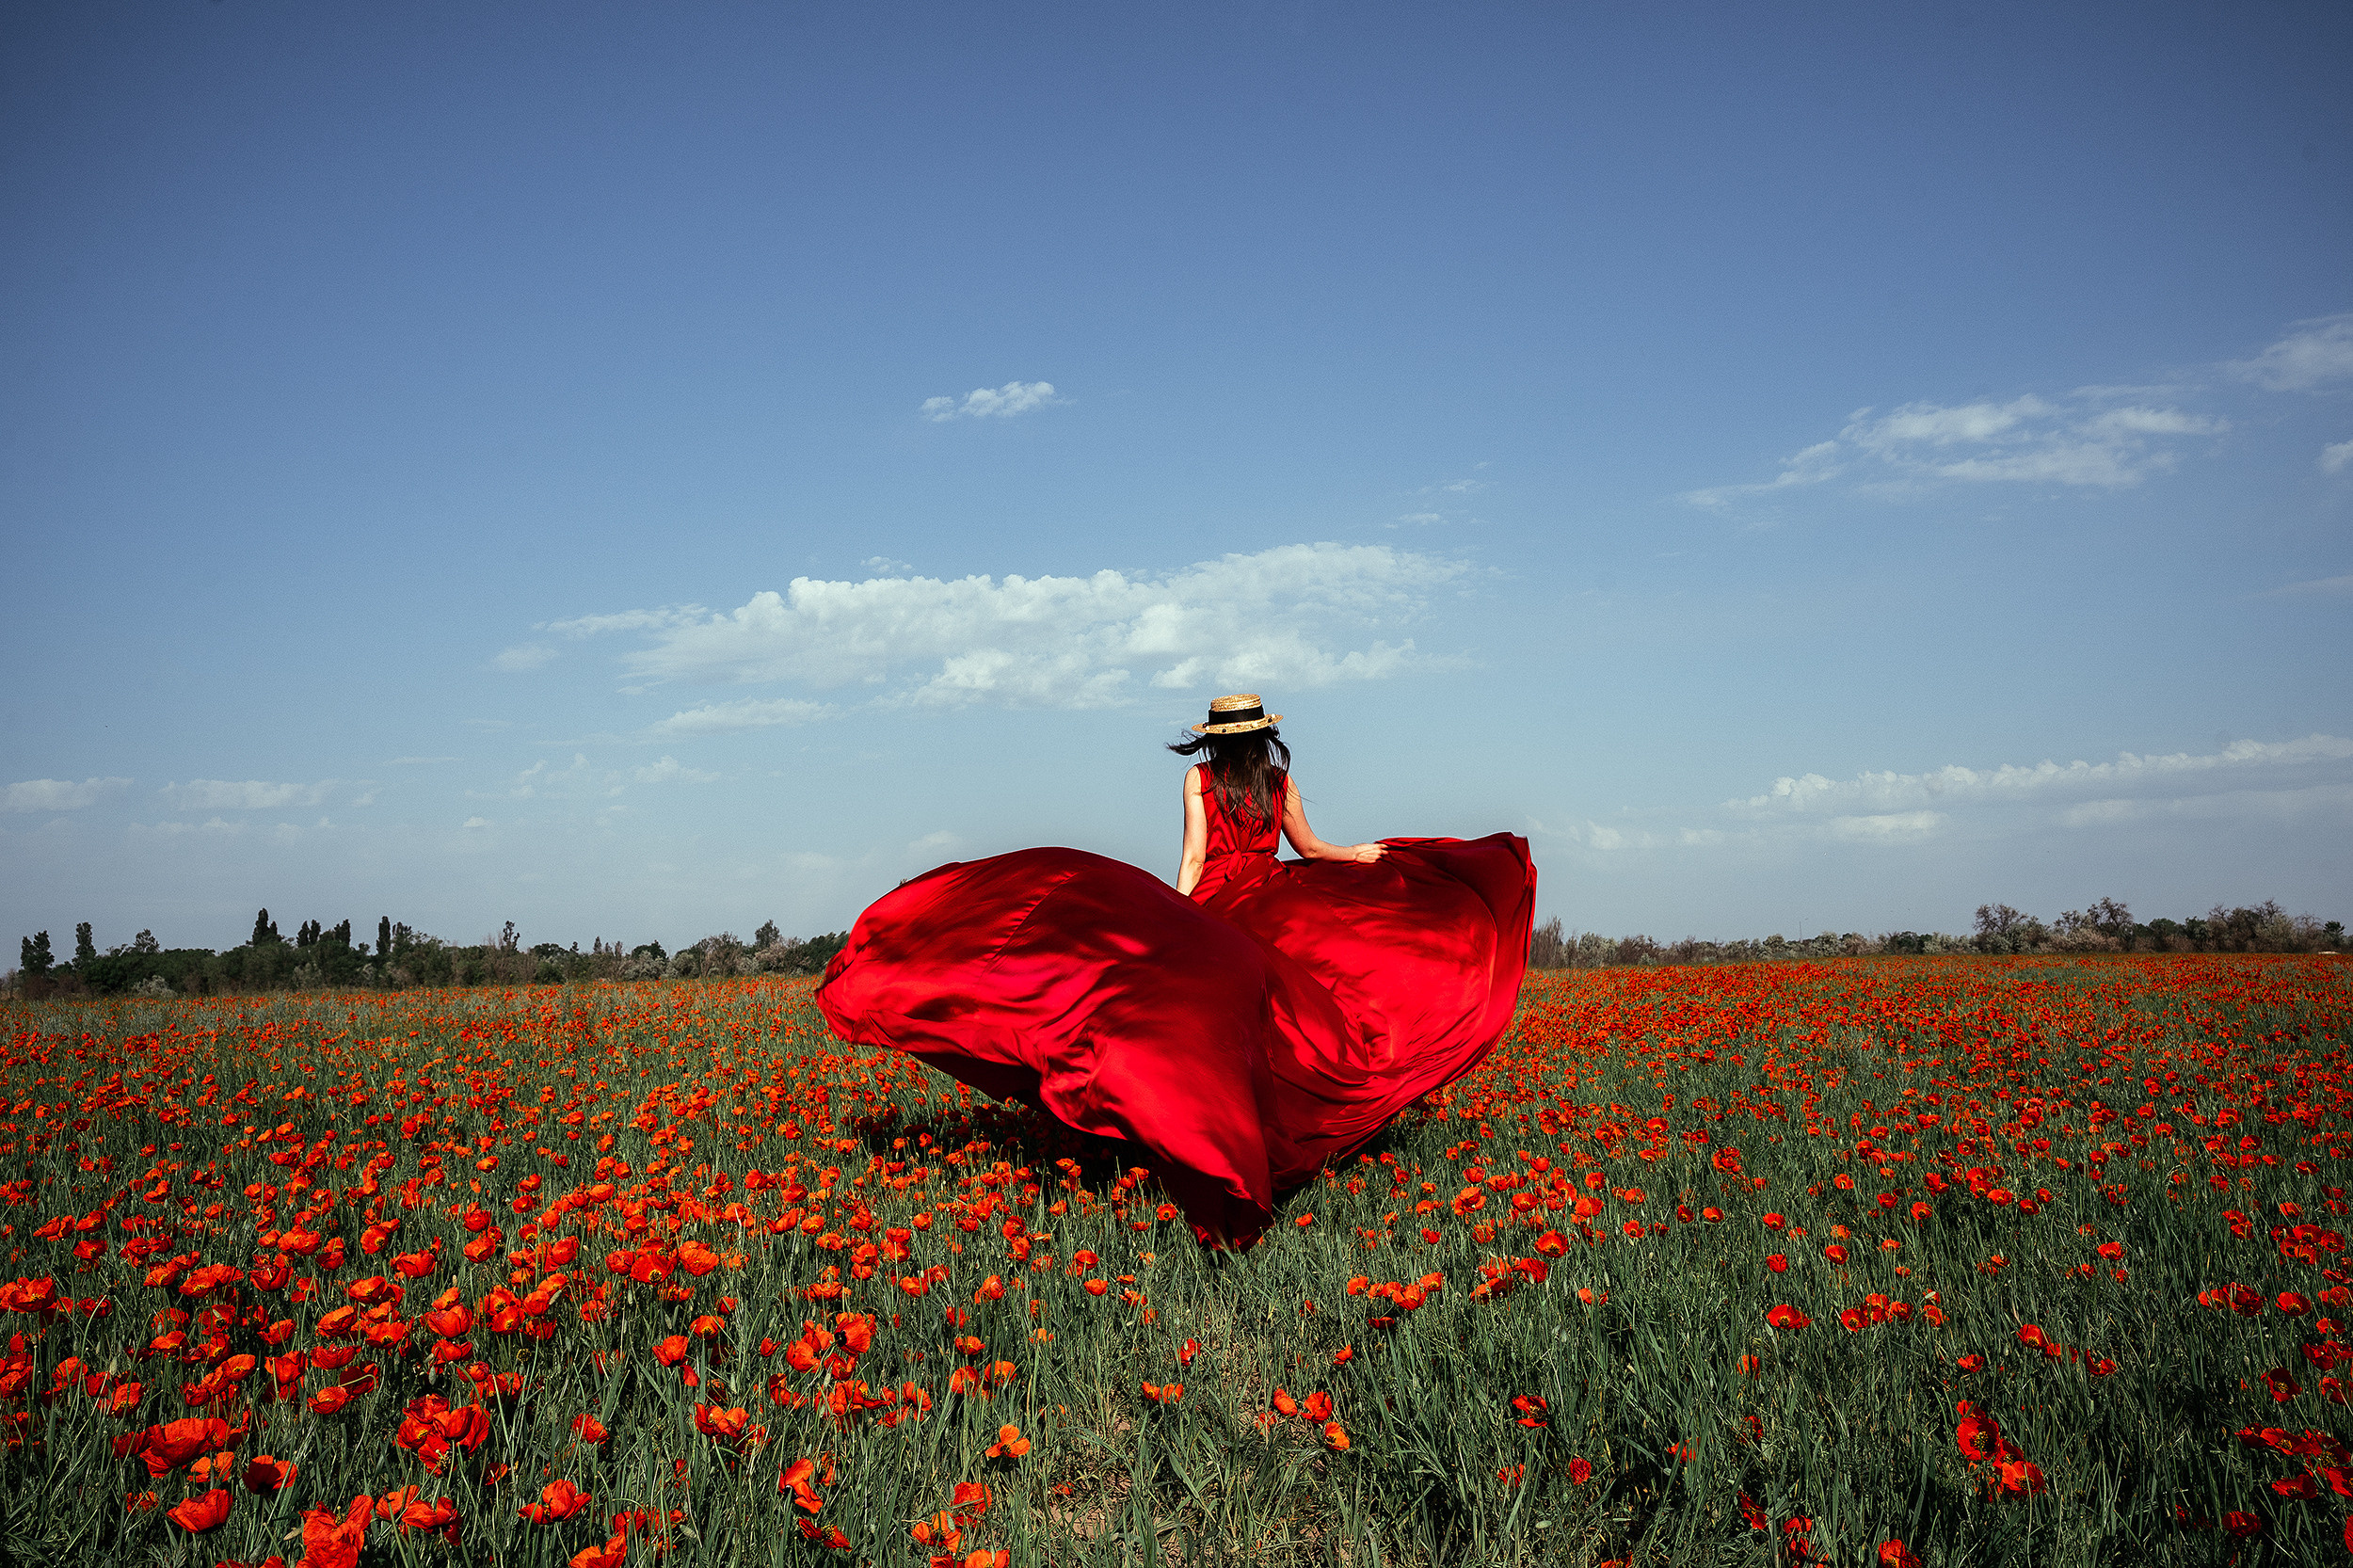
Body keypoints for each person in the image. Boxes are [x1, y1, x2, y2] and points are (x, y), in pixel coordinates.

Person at [816, 693, 1535, 1247]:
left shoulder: (1199, 782)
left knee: (1187, 1021)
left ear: (1214, 742)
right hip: (1276, 895)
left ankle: (1175, 1135)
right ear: (1263, 738)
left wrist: (1174, 922)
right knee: (1301, 1004)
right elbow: (1312, 851)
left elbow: (1192, 863)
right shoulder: (1279, 783)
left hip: (1221, 902)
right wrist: (1364, 856)